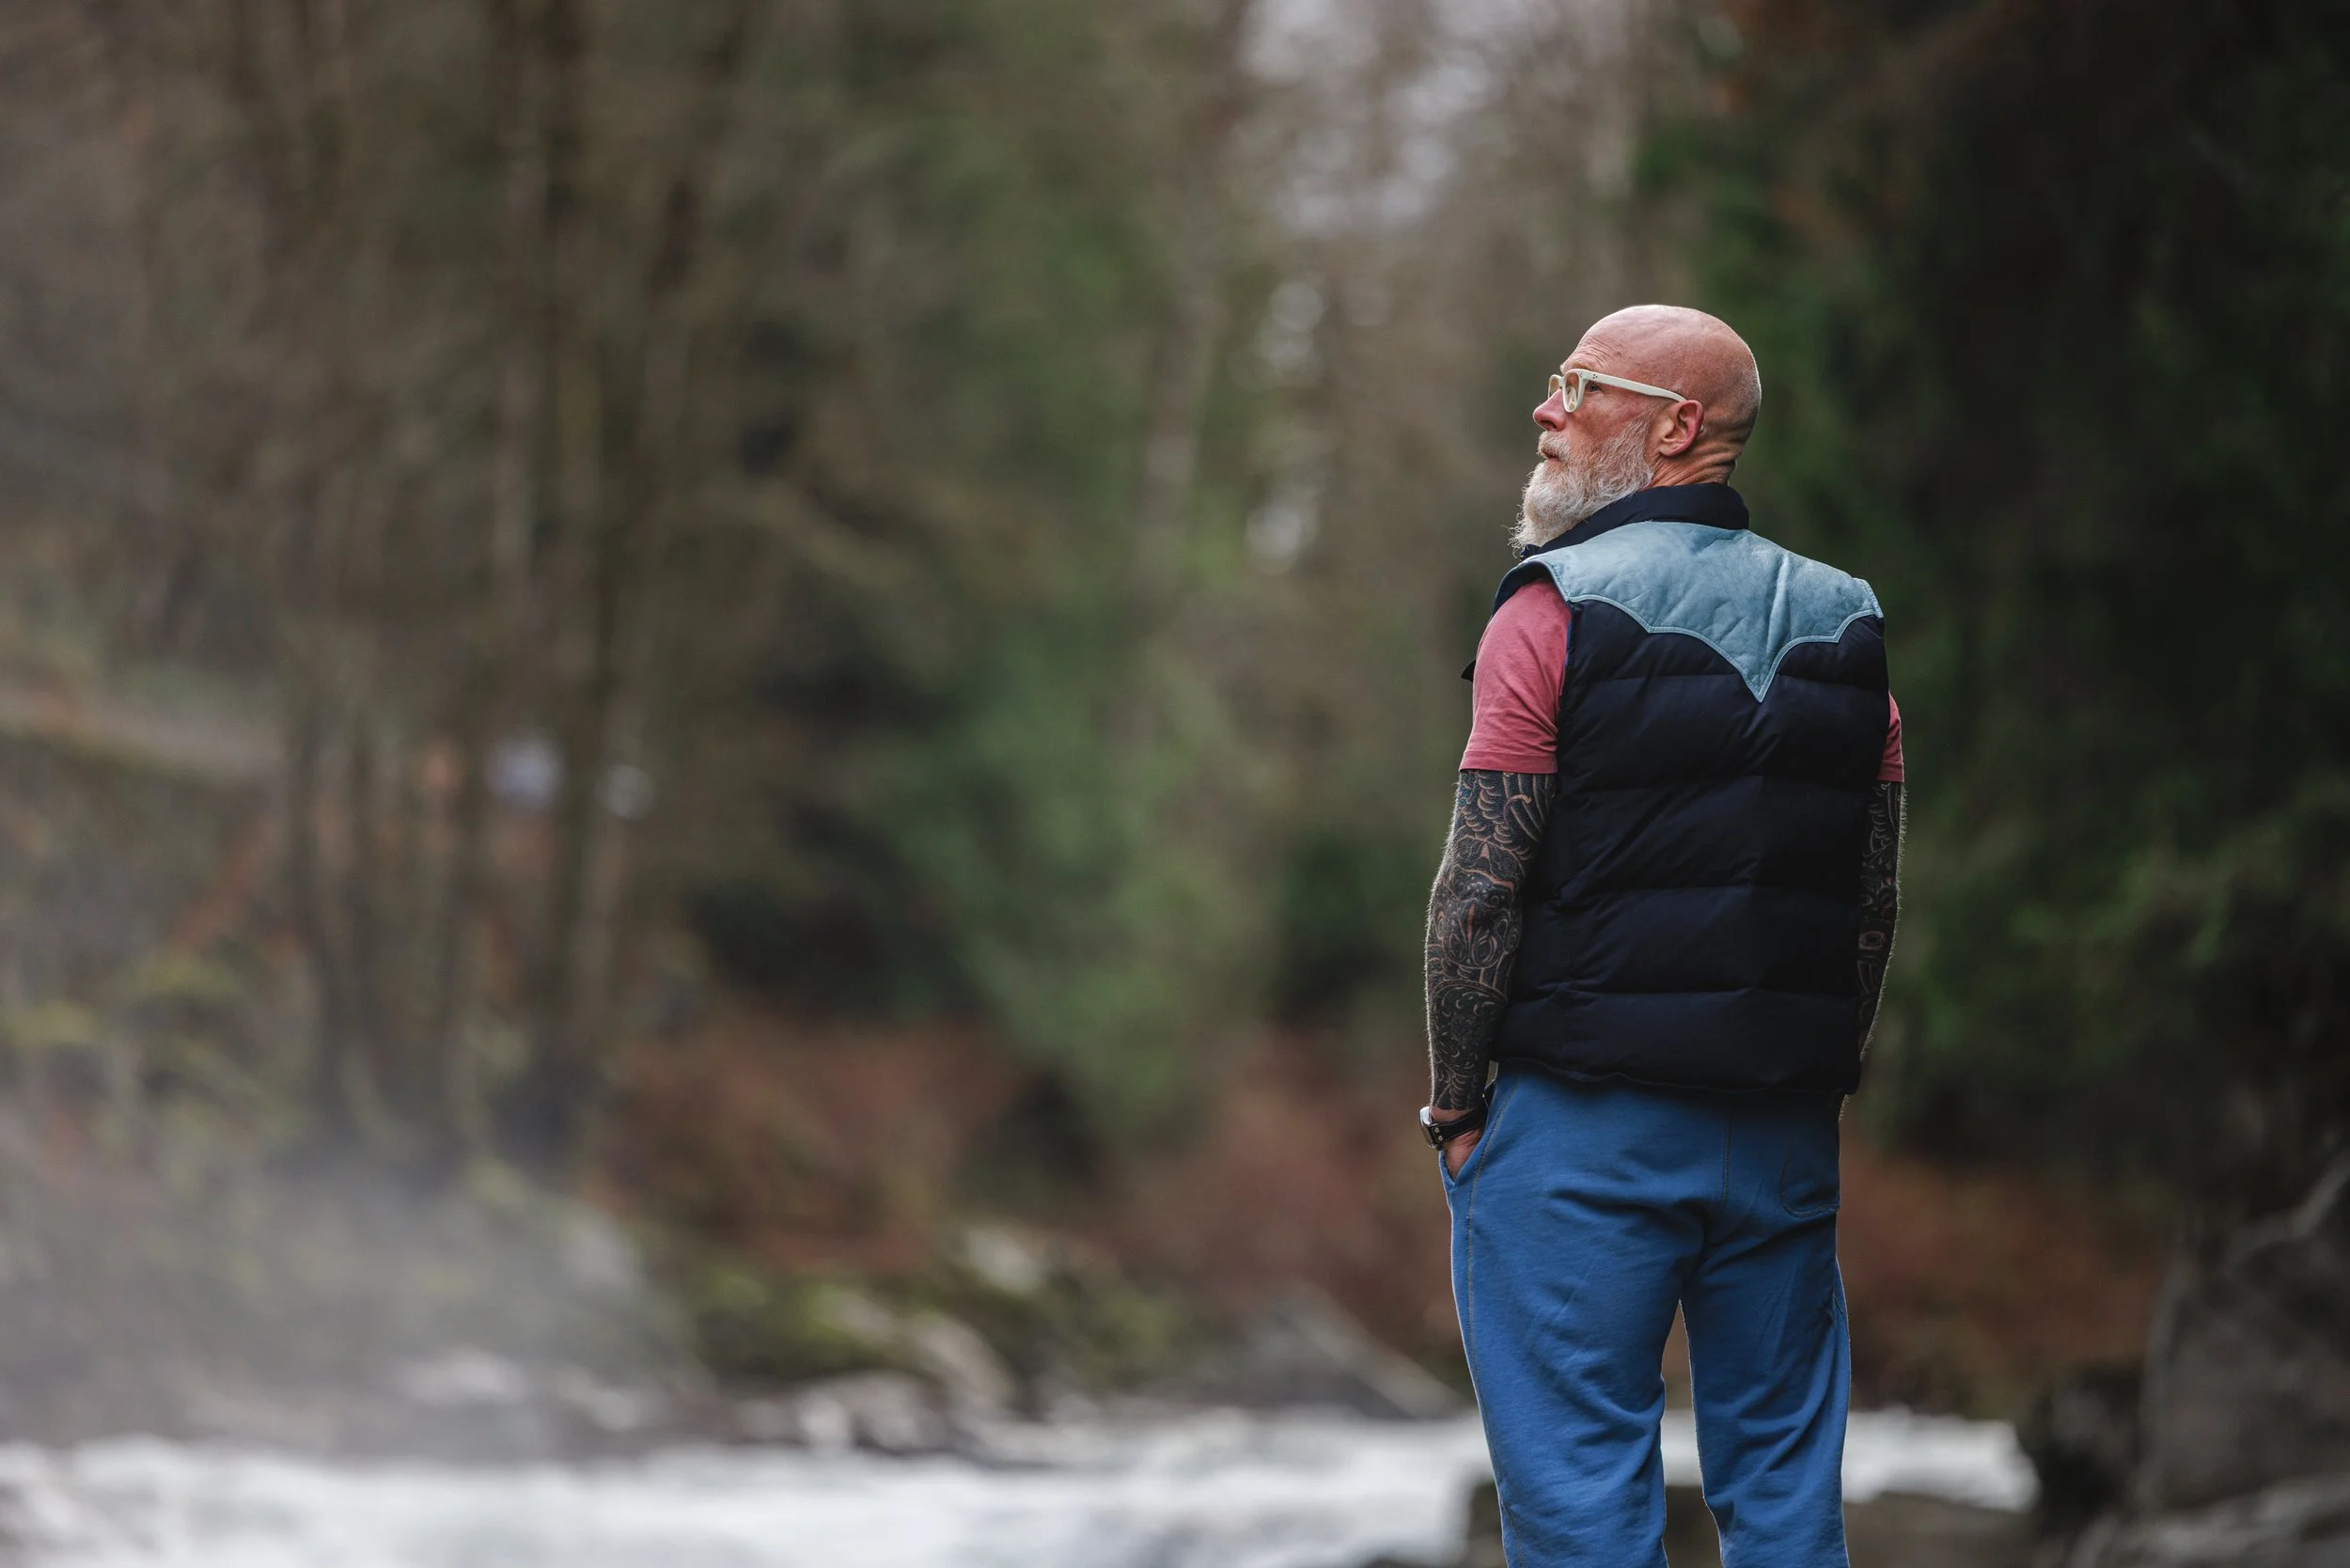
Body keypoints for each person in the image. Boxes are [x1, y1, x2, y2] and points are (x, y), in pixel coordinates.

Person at [1419, 305, 1904, 1567]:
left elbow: (1479, 883)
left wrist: (1458, 1108)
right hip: (1781, 1137)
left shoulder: (1551, 609)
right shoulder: (1853, 625)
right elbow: (1871, 902)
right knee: (1791, 1503)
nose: (1547, 409)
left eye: (1578, 385)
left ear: (1677, 426)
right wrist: (1810, 1079)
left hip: (1579, 1131)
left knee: (1582, 1509)